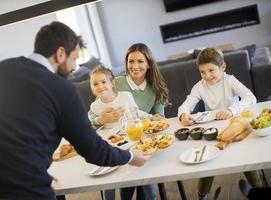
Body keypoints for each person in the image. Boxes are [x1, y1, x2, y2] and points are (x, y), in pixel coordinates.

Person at [0, 21, 148, 200]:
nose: (74, 67)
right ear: (61, 53)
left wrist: (37, 171)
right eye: (75, 58)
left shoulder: (4, 68)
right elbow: (93, 150)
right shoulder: (62, 90)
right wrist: (131, 156)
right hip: (26, 190)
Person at [178, 47, 263, 200]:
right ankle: (202, 195)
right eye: (202, 72)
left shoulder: (229, 80)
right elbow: (187, 104)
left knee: (246, 160)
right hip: (213, 129)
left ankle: (258, 190)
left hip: (235, 125)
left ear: (222, 67)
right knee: (208, 163)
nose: (207, 76)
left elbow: (251, 98)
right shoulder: (199, 86)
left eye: (211, 70)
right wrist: (183, 114)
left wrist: (231, 110)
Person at [88, 65, 153, 200]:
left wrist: (151, 117)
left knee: (148, 190)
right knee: (108, 183)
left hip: (131, 141)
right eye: (95, 84)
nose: (100, 86)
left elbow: (137, 112)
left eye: (103, 82)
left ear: (112, 83)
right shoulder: (95, 106)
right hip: (110, 146)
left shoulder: (125, 97)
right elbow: (91, 123)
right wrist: (98, 120)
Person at [116, 43, 171, 200]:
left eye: (140, 61)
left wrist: (158, 118)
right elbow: (96, 111)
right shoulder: (117, 83)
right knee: (132, 178)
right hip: (122, 141)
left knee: (143, 181)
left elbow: (159, 119)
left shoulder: (156, 87)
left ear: (148, 64)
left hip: (145, 143)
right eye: (131, 61)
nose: (135, 66)